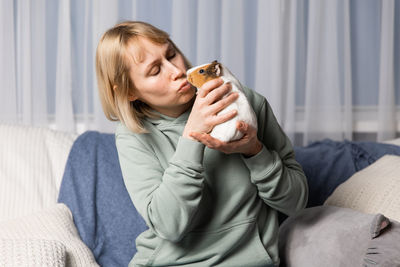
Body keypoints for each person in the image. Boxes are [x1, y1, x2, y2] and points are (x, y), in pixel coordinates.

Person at [96, 21, 308, 267]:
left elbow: (297, 202)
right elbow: (169, 226)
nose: (175, 70)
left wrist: (254, 151)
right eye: (155, 70)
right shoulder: (132, 135)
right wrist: (192, 136)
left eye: (171, 54)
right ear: (129, 92)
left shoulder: (244, 102)